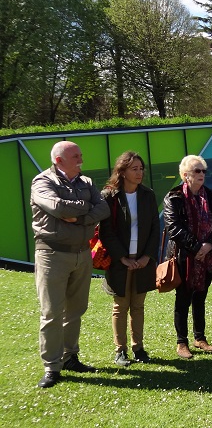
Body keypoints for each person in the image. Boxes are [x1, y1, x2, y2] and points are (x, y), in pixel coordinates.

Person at [31, 141, 110, 388]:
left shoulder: (86, 182)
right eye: (75, 156)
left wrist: (78, 217)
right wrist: (86, 208)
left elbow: (104, 209)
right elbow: (56, 207)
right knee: (52, 312)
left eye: (80, 155)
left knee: (76, 310)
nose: (81, 159)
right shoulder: (42, 182)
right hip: (52, 254)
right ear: (59, 160)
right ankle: (51, 366)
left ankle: (70, 357)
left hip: (82, 253)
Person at [99, 151, 160, 366]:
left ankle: (138, 348)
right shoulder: (110, 196)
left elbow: (155, 228)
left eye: (141, 168)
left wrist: (147, 256)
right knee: (120, 305)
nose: (139, 173)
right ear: (122, 171)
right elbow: (106, 231)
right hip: (120, 262)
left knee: (138, 306)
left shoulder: (148, 195)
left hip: (143, 261)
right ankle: (120, 351)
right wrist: (122, 258)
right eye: (134, 169)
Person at [163, 155, 212, 359]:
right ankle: (182, 342)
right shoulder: (174, 197)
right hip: (184, 256)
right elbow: (173, 227)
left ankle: (200, 338)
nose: (201, 174)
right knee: (183, 299)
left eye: (203, 171)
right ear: (185, 175)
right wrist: (197, 247)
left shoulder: (211, 196)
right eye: (197, 171)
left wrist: (209, 245)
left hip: (207, 257)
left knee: (200, 297)